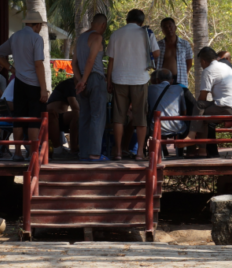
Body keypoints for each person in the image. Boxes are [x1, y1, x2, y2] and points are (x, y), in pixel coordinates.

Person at [0, 11, 49, 160]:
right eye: (40, 26)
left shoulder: (15, 36)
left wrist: (11, 68)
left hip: (19, 82)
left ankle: (17, 153)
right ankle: (32, 153)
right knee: (33, 120)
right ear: (37, 25)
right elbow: (38, 64)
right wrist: (43, 88)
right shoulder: (36, 39)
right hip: (33, 84)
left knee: (18, 118)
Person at [107, 9, 159, 161]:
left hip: (119, 79)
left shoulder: (116, 34)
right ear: (141, 22)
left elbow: (111, 60)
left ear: (127, 20)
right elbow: (156, 53)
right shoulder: (147, 33)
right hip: (140, 79)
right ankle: (140, 154)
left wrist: (109, 81)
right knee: (140, 117)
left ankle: (117, 152)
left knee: (118, 118)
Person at [183, 46, 232, 157]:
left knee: (200, 108)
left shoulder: (208, 70)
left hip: (225, 108)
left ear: (203, 61)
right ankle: (202, 150)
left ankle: (193, 137)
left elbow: (203, 97)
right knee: (202, 116)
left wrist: (196, 113)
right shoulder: (226, 67)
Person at [73, 13, 108, 160]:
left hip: (82, 79)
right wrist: (85, 80)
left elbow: (73, 62)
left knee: (85, 117)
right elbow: (91, 60)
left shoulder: (80, 38)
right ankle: (94, 154)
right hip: (94, 78)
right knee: (97, 117)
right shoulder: (97, 37)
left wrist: (80, 80)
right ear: (103, 26)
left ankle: (84, 154)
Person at [147, 68, 188, 139]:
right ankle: (183, 148)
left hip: (155, 128)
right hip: (177, 128)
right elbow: (184, 112)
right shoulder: (179, 89)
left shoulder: (150, 88)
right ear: (172, 80)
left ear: (157, 80)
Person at [46, 77, 80, 157]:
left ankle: (78, 147)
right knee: (77, 114)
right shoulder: (70, 84)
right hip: (54, 116)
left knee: (78, 115)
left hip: (61, 117)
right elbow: (75, 107)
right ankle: (73, 148)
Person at [156, 17, 193, 85]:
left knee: (180, 95)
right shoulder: (158, 45)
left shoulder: (185, 44)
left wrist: (184, 74)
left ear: (175, 27)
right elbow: (155, 62)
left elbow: (189, 62)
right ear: (163, 31)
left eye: (170, 26)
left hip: (180, 79)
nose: (168, 28)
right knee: (163, 95)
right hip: (162, 80)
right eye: (165, 27)